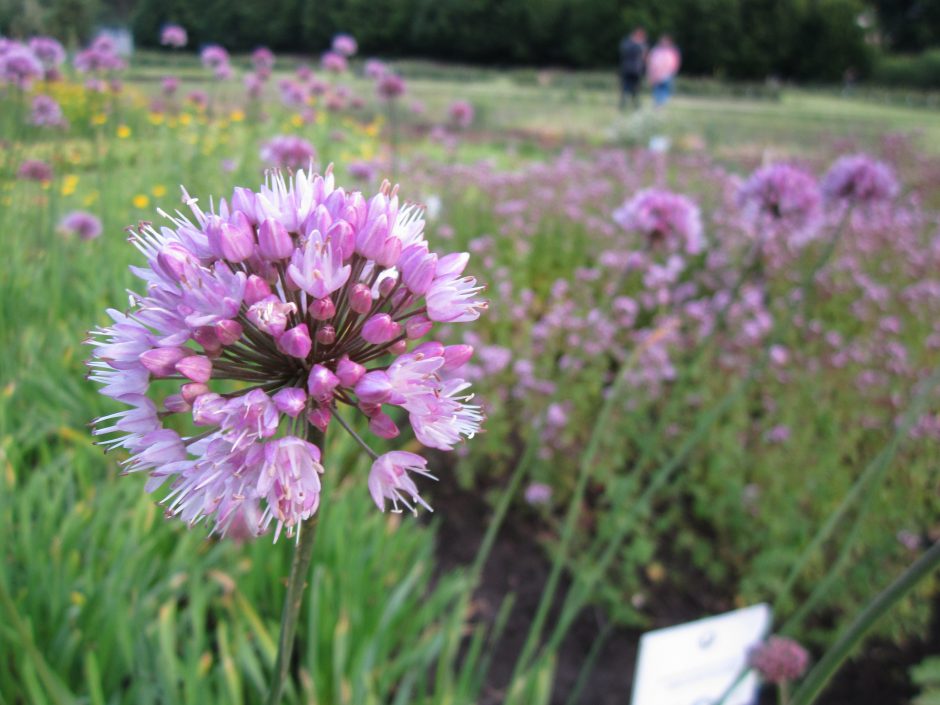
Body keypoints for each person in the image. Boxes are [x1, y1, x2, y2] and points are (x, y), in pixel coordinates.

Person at [647, 35, 681, 108]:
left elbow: (675, 63)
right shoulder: (656, 51)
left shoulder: (672, 51)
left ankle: (661, 104)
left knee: (665, 90)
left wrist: (672, 72)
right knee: (657, 90)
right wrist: (651, 73)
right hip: (656, 74)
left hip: (667, 74)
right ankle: (657, 104)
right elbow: (651, 62)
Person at [618, 28, 647, 110]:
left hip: (637, 70)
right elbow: (625, 52)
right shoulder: (628, 43)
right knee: (625, 88)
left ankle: (635, 104)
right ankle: (623, 104)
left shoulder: (642, 44)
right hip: (627, 69)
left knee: (636, 88)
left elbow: (644, 57)